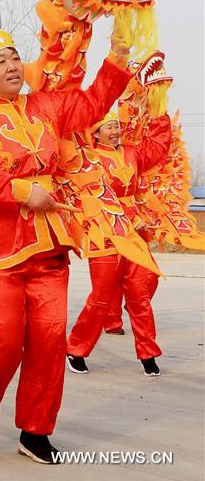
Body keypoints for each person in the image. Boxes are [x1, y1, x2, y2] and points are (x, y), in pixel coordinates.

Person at [0, 26, 132, 464]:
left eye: (15, 57)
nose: (12, 66)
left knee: (50, 341)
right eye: (0, 61)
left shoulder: (46, 105)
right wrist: (18, 190)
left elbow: (90, 104)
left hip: (48, 245)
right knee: (3, 340)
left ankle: (36, 430)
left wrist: (117, 58)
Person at [66, 111, 171, 376]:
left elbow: (158, 148)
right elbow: (90, 196)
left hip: (133, 233)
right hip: (104, 233)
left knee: (141, 292)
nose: (114, 131)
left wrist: (159, 111)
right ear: (96, 133)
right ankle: (76, 349)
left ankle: (148, 353)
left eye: (116, 126)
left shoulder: (132, 153)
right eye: (108, 127)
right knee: (101, 297)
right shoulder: (89, 160)